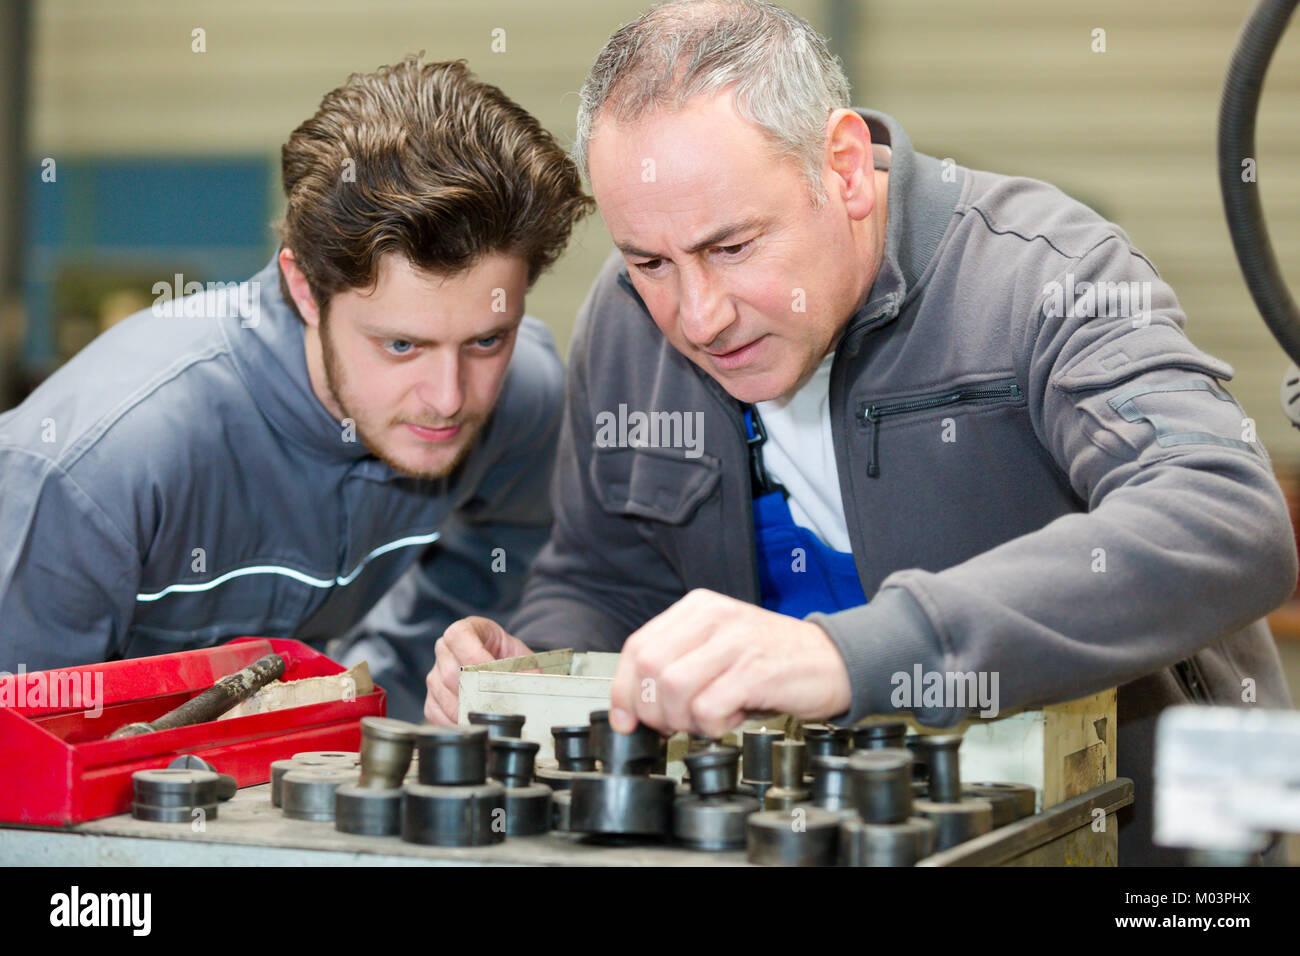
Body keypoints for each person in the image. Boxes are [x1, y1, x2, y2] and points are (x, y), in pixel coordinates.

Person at [423, 1, 1296, 864]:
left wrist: (852, 655)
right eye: (651, 260)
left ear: (842, 168)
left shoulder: (1044, 277)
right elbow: (607, 577)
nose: (698, 315)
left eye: (733, 247)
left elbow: (1225, 519)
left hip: (1139, 843)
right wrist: (535, 664)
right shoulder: (627, 325)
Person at [0, 56, 593, 721]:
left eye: (486, 339)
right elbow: (19, 763)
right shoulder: (100, 466)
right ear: (306, 287)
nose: (450, 397)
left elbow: (506, 565)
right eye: (401, 344)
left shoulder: (525, 400)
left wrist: (386, 706)